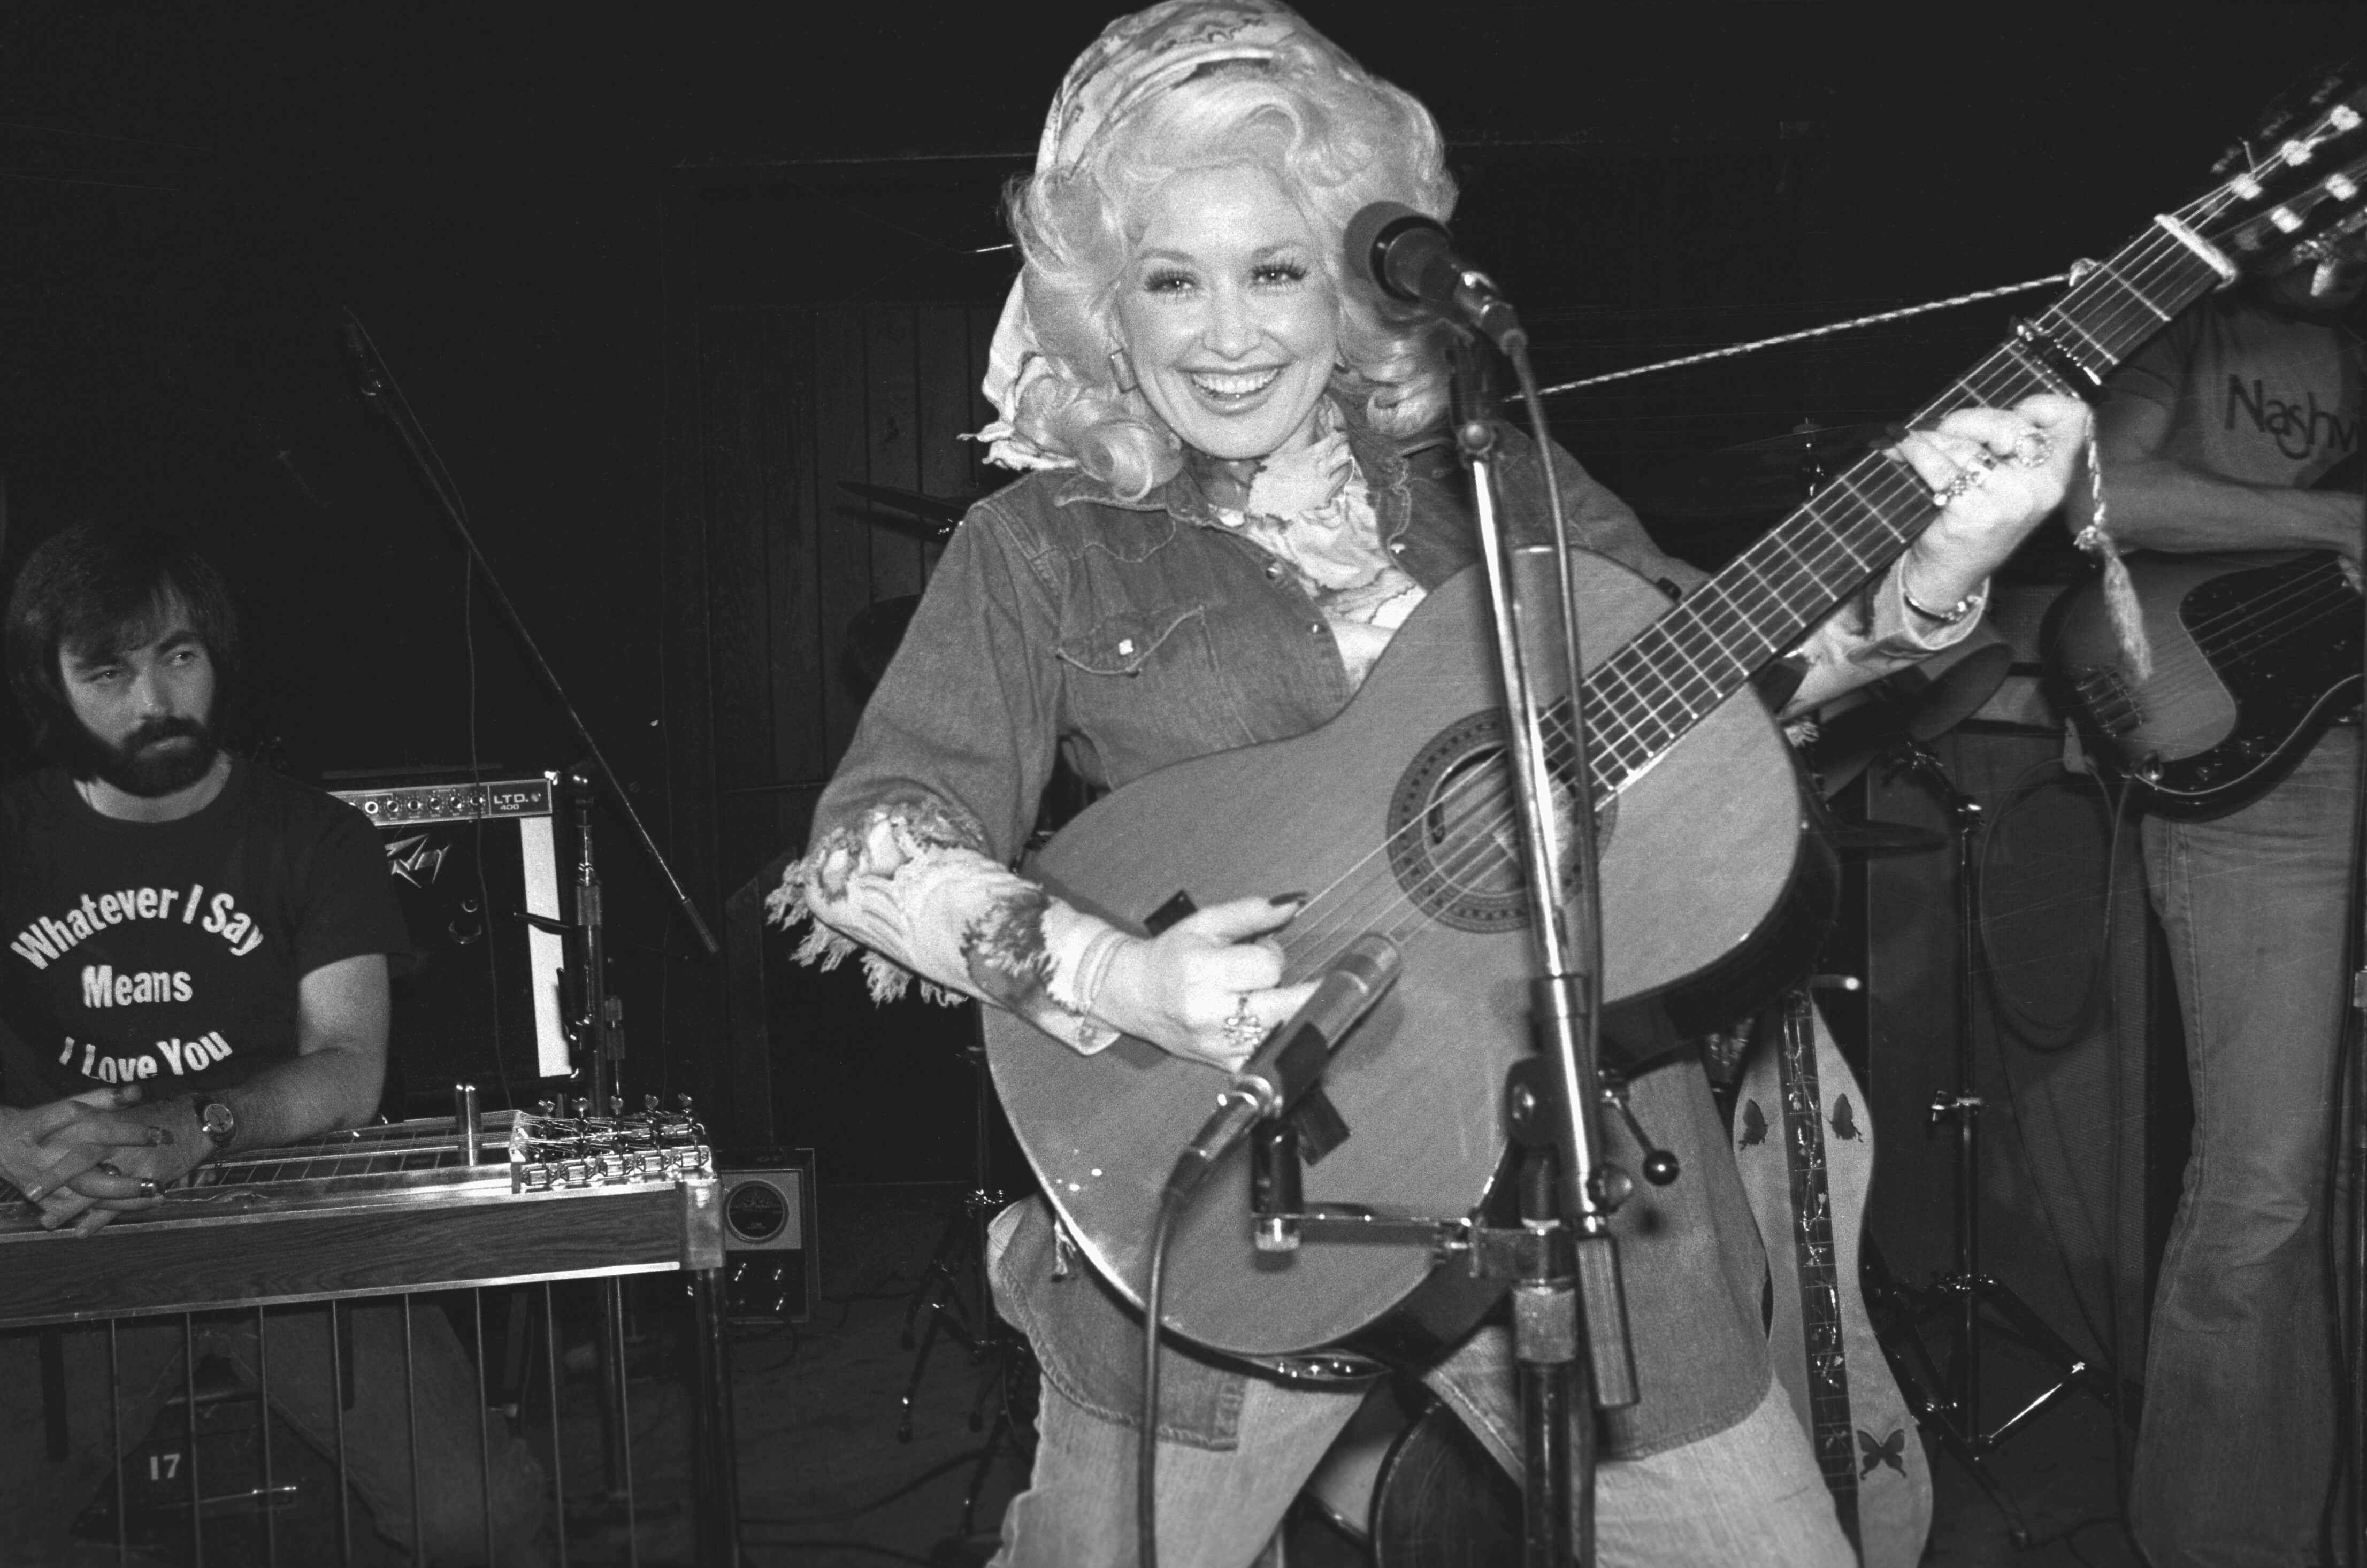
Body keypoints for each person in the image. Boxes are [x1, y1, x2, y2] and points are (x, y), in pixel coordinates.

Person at [772, 5, 2090, 1563]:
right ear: (1101, 316)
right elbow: (866, 845)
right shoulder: (1043, 546)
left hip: (1582, 1190)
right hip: (1223, 1210)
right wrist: (1120, 972)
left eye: (1274, 271)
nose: (1229, 333)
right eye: (1169, 282)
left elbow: (1722, 701)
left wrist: (1926, 580)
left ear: (1346, 285)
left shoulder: (1495, 479)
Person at [0, 521, 551, 1567]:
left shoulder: (316, 833)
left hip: (285, 1216)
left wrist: (205, 1125)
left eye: (179, 655)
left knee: (480, 1517)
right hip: (66, 1224)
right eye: (107, 671)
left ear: (218, 657)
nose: (154, 701)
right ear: (50, 684)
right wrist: (13, 1139)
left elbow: (350, 1062)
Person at [2069, 235, 2365, 1567]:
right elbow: (2099, 495)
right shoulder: (2182, 319)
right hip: (2261, 764)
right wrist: (2336, 524)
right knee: (2264, 1183)